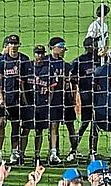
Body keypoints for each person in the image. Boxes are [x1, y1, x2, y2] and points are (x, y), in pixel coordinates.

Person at [0, 34, 30, 165]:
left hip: (18, 99)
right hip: (5, 98)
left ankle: (15, 152)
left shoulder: (24, 60)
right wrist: (0, 97)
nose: (13, 46)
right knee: (1, 124)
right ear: (7, 45)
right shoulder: (2, 61)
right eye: (11, 44)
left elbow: (26, 80)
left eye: (15, 44)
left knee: (16, 125)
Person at [69, 37, 99, 162]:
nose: (96, 47)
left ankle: (93, 151)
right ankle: (73, 149)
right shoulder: (79, 61)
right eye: (94, 45)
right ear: (87, 47)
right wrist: (74, 94)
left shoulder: (101, 59)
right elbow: (72, 78)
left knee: (95, 124)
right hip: (86, 96)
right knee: (85, 123)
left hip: (99, 97)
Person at [24, 45, 52, 166]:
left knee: (39, 130)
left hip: (42, 105)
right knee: (24, 129)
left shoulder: (48, 68)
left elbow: (51, 89)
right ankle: (21, 154)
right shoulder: (27, 66)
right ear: (34, 54)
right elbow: (22, 86)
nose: (39, 56)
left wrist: (48, 103)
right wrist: (25, 103)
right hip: (29, 104)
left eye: (41, 53)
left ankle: (37, 155)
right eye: (37, 53)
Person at [46, 36, 71, 165]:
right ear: (52, 48)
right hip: (45, 99)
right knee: (45, 127)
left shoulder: (64, 64)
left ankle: (54, 152)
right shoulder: (45, 62)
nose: (62, 50)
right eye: (60, 47)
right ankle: (46, 153)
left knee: (55, 125)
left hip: (59, 99)